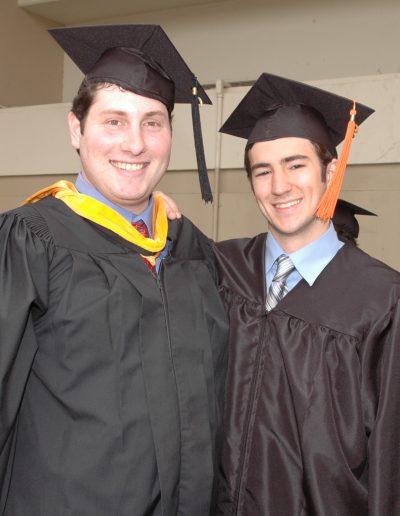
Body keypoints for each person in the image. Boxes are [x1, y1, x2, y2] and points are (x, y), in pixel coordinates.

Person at [0, 24, 228, 516]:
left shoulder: (193, 249)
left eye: (153, 122)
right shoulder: (29, 241)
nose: (135, 144)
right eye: (114, 121)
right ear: (76, 129)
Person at [212, 73, 400, 515]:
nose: (279, 186)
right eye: (263, 171)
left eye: (295, 165)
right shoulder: (220, 267)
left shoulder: (382, 300)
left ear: (330, 172)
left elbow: (391, 459)